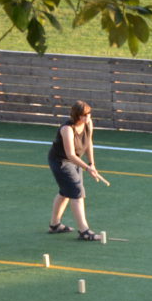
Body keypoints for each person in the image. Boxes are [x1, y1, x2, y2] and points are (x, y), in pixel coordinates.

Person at [46, 100, 104, 241]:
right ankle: (84, 231)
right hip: (61, 161)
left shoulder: (88, 124)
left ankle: (54, 225)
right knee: (77, 192)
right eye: (83, 116)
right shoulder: (67, 129)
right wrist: (87, 168)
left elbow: (89, 143)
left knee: (66, 192)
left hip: (76, 160)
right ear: (75, 116)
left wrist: (92, 163)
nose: (86, 118)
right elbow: (70, 154)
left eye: (88, 115)